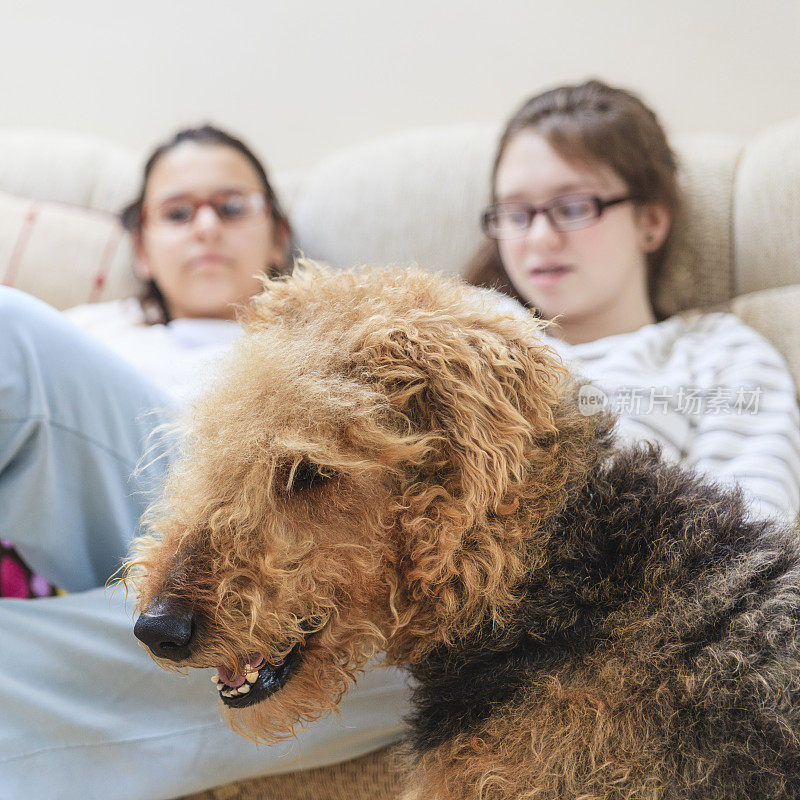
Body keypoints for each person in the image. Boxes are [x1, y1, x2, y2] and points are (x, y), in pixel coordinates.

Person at [0, 126, 409, 799]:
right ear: (142, 246)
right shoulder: (89, 332)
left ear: (278, 234)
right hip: (127, 509)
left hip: (283, 521)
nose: (207, 227)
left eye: (231, 206)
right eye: (179, 212)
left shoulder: (344, 340)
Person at [467, 79, 800, 523]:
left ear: (651, 220)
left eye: (572, 208)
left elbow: (755, 544)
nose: (539, 239)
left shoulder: (722, 355)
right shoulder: (468, 323)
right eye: (516, 214)